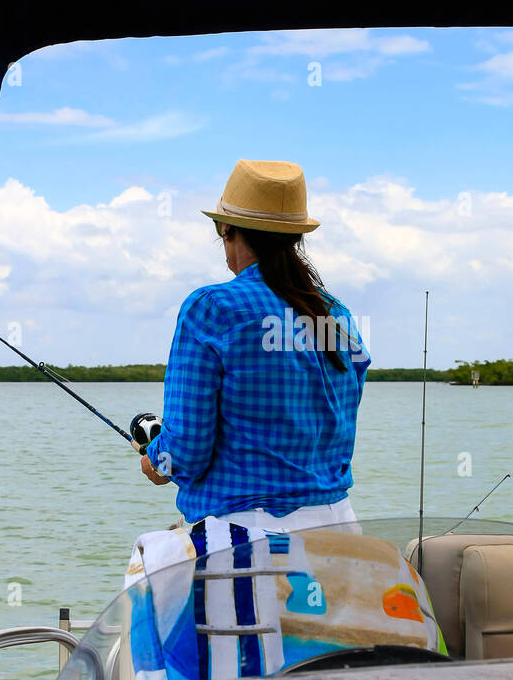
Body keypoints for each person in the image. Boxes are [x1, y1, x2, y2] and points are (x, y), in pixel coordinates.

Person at [135, 159, 370, 530]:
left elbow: (186, 454)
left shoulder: (211, 308)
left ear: (227, 228)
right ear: (295, 237)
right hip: (340, 529)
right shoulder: (338, 316)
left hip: (246, 542)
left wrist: (155, 458)